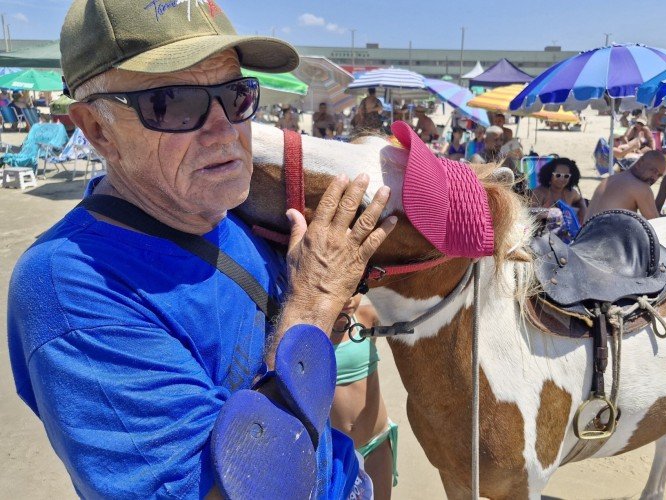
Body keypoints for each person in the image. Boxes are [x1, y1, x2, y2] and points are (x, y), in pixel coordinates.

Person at [7, 0, 399, 497]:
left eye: (236, 96)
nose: (225, 130)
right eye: (173, 102)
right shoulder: (70, 288)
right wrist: (315, 302)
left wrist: (327, 314)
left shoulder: (219, 208)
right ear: (97, 130)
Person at [331, 295, 397, 499]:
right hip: (335, 452)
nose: (349, 298)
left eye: (356, 289)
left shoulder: (367, 318)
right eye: (344, 289)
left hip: (376, 444)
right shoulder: (312, 329)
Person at [587, 150, 666, 220]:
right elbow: (656, 224)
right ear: (640, 162)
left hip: (584, 235)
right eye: (653, 170)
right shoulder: (640, 187)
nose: (654, 177)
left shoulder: (609, 180)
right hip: (604, 236)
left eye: (659, 175)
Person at [530, 157, 587, 224]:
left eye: (566, 176)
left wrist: (583, 210)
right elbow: (531, 212)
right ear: (549, 175)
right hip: (544, 231)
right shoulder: (540, 192)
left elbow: (580, 200)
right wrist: (549, 213)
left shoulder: (571, 193)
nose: (561, 179)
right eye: (558, 175)